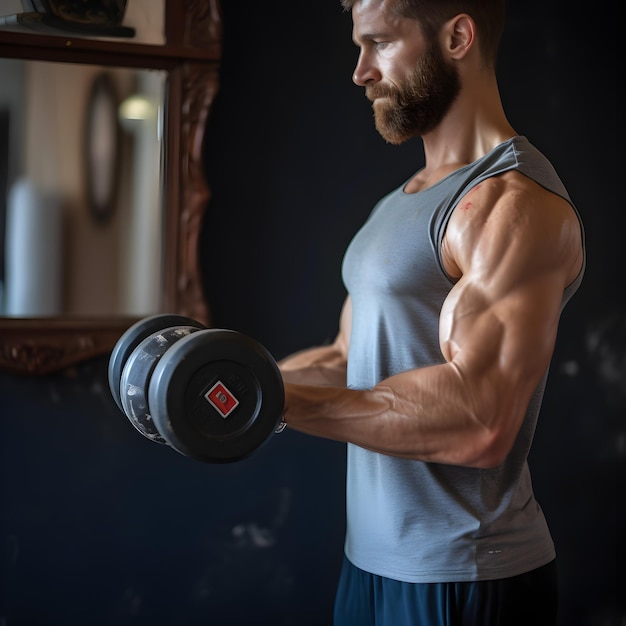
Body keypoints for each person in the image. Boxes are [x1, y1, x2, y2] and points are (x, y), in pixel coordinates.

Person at [277, 0, 586, 624]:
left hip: (464, 576)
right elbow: (346, 359)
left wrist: (272, 404)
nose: (360, 71)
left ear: (458, 36)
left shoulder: (513, 203)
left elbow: (480, 418)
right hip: (369, 563)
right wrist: (229, 379)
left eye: (380, 44)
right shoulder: (401, 201)